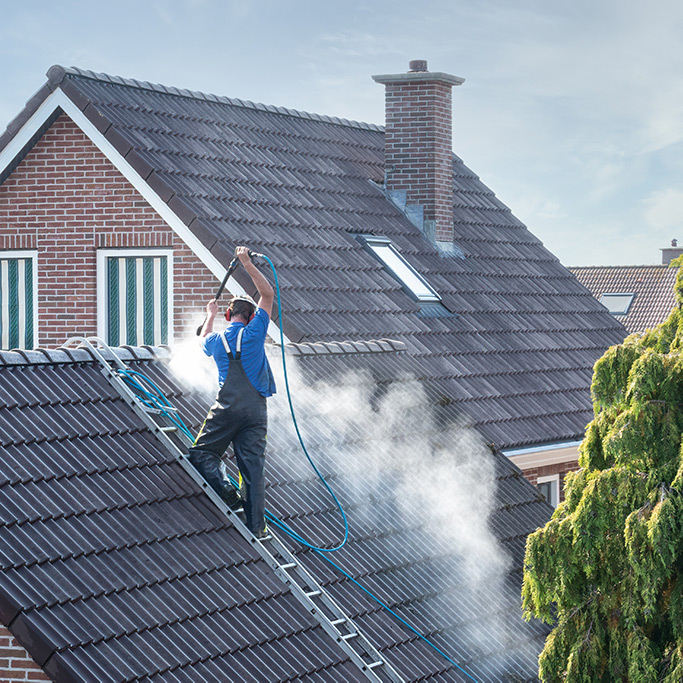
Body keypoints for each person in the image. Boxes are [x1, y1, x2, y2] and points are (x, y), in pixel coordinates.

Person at [189, 246, 276, 537]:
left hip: (225, 410)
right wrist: (246, 263)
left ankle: (227, 494)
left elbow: (202, 338)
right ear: (252, 318)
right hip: (254, 412)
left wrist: (209, 314)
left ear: (229, 315)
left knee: (202, 454)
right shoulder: (255, 333)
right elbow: (267, 295)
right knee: (252, 469)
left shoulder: (215, 340)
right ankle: (257, 527)